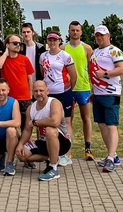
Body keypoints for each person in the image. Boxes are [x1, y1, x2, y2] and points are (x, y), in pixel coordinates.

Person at [16, 80, 71, 182]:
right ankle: (50, 157)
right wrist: (20, 144)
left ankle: (53, 168)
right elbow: (27, 130)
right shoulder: (30, 108)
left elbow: (55, 122)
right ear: (32, 92)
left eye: (41, 90)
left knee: (50, 130)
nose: (39, 93)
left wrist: (36, 122)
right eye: (36, 91)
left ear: (47, 91)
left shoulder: (54, 103)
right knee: (21, 155)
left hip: (62, 142)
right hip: (44, 141)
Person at [89, 25, 123, 173]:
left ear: (108, 35)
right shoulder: (95, 52)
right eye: (97, 35)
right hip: (98, 94)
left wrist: (105, 74)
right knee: (102, 125)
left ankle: (111, 158)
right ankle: (113, 155)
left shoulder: (114, 50)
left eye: (102, 35)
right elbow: (93, 73)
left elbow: (121, 69)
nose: (99, 38)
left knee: (111, 125)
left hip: (111, 93)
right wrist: (94, 91)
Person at [40, 32, 77, 166]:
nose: (52, 42)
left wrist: (67, 90)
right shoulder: (43, 56)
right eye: (50, 40)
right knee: (49, 123)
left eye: (55, 40)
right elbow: (43, 73)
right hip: (49, 95)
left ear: (59, 41)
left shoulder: (65, 56)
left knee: (66, 122)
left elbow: (73, 76)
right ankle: (51, 152)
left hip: (64, 93)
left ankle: (67, 154)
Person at [65, 20, 95, 160]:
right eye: (72, 30)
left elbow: (92, 68)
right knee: (68, 119)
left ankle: (88, 148)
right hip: (67, 88)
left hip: (83, 87)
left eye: (77, 30)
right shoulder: (63, 48)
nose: (75, 32)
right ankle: (68, 149)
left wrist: (93, 86)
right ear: (69, 31)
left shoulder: (87, 49)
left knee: (86, 118)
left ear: (81, 32)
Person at [0, 34, 35, 129]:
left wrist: (30, 94)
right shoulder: (2, 58)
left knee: (26, 127)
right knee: (9, 127)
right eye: (15, 43)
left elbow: (30, 78)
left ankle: (24, 144)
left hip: (24, 98)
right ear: (7, 45)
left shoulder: (24, 59)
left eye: (20, 43)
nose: (18, 45)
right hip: (8, 98)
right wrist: (5, 54)